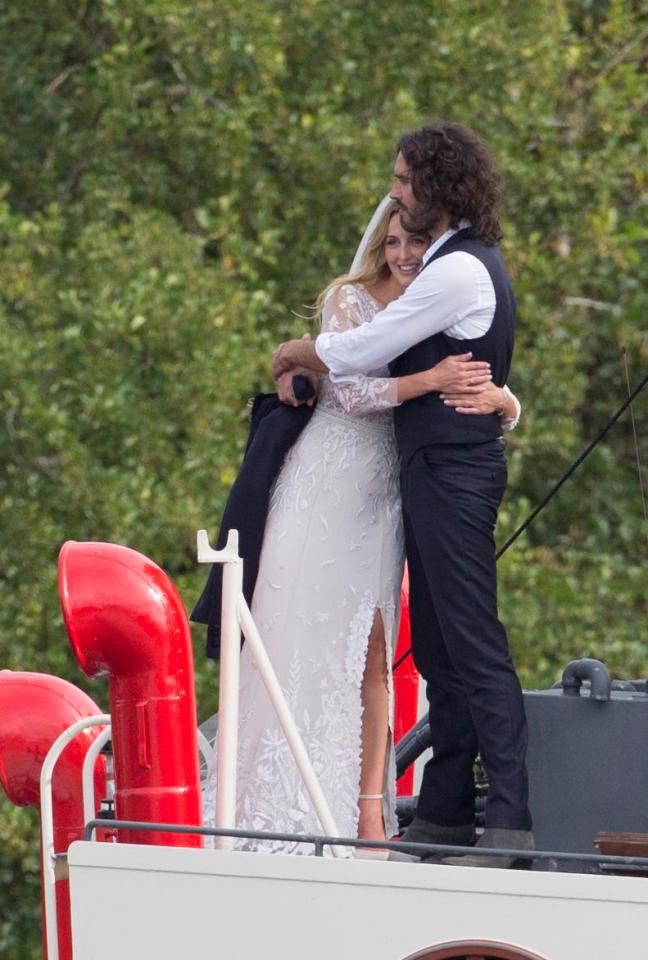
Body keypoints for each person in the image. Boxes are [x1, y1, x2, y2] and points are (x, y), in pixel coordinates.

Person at [203, 199, 521, 855]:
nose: (405, 254)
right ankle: (269, 805)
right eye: (396, 241)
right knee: (294, 637)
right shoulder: (348, 301)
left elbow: (480, 374)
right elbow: (350, 389)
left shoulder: (432, 306)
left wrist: (505, 401)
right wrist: (427, 378)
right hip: (325, 480)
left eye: (418, 242)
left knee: (371, 654)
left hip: (385, 492)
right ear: (379, 243)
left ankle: (367, 815)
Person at [272, 121, 534, 868]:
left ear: (438, 189)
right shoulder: (452, 265)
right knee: (443, 645)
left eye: (402, 180)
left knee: (473, 641)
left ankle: (511, 819)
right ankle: (448, 811)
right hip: (431, 469)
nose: (392, 191)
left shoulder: (457, 271)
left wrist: (298, 350)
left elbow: (365, 349)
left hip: (453, 471)